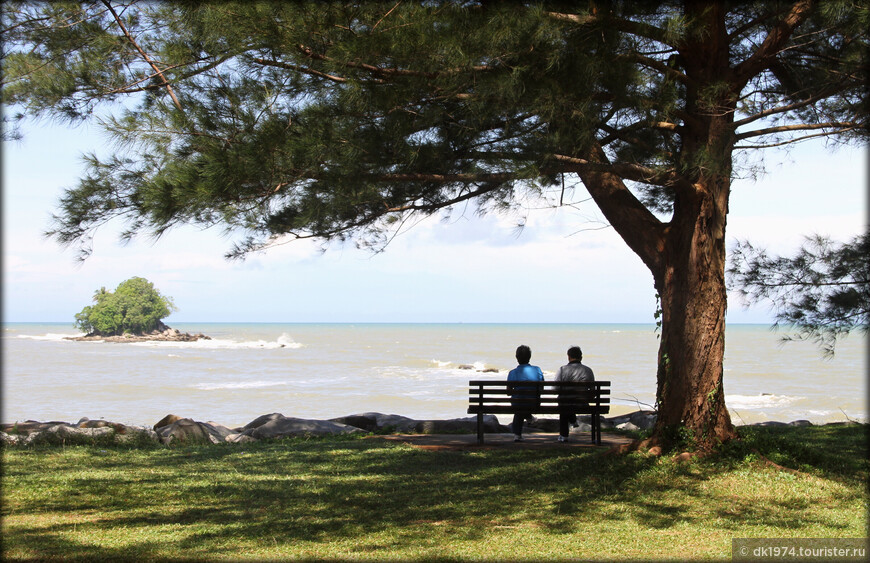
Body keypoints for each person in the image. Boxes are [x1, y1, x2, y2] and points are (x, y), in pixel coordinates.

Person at [554, 345, 595, 442]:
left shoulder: (562, 369)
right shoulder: (588, 370)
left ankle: (564, 435)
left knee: (564, 402)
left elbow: (555, 389)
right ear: (581, 357)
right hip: (582, 404)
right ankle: (573, 420)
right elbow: (593, 390)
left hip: (564, 403)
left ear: (568, 357)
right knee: (567, 402)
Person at [506, 344, 544, 442]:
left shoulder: (512, 373)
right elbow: (541, 388)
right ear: (530, 357)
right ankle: (529, 417)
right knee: (523, 403)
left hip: (517, 404)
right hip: (534, 404)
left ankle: (517, 435)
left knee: (519, 405)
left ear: (516, 357)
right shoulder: (537, 370)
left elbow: (508, 392)